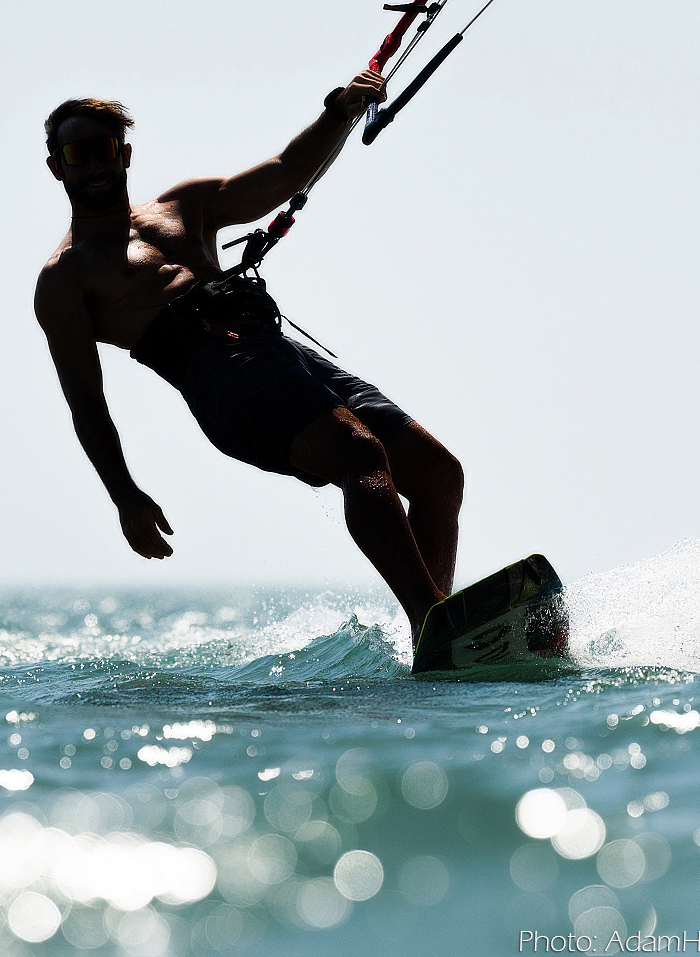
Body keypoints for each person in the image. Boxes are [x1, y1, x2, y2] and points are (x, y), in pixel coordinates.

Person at [35, 71, 463, 645]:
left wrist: (337, 111)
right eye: (78, 152)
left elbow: (286, 172)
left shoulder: (185, 205)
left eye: (105, 149)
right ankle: (433, 620)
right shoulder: (66, 279)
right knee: (358, 454)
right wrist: (124, 495)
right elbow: (86, 403)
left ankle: (439, 636)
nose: (94, 164)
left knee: (438, 472)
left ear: (125, 154)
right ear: (57, 166)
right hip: (219, 380)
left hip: (279, 353)